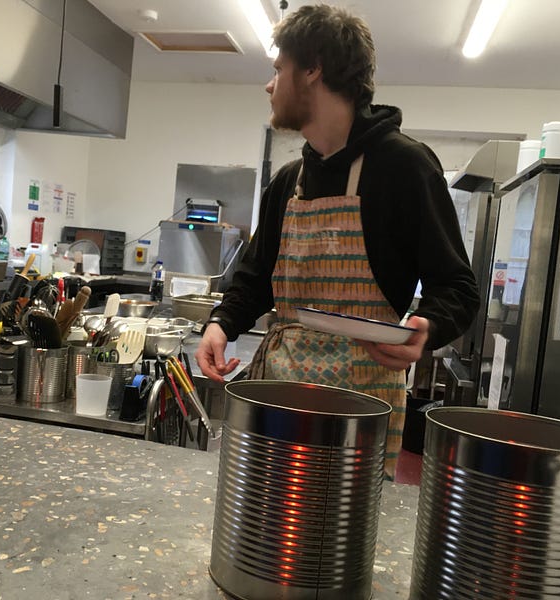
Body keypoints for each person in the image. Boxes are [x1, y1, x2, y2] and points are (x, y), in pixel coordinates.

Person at [195, 5, 479, 478]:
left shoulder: (404, 167)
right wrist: (221, 324)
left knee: (339, 540)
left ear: (312, 70)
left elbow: (457, 287)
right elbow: (255, 279)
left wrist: (425, 327)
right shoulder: (290, 181)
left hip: (358, 415)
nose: (269, 85)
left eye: (277, 69)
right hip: (277, 404)